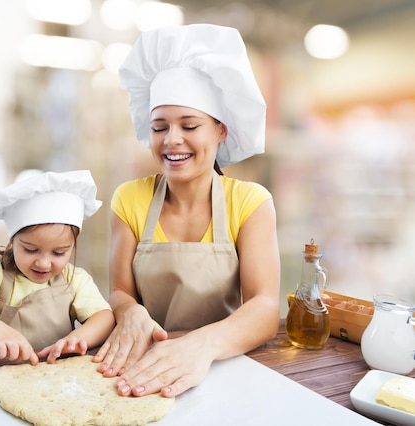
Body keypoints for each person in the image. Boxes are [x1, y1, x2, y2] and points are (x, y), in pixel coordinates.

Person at [93, 24, 281, 398]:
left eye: (189, 125)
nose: (172, 139)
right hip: (142, 366)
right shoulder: (130, 199)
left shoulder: (250, 202)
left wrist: (201, 346)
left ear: (221, 130)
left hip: (223, 364)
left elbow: (264, 307)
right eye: (159, 127)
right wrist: (130, 313)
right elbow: (119, 291)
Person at [0, 170, 115, 365]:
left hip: (54, 374)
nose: (43, 263)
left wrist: (78, 338)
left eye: (59, 253)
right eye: (31, 250)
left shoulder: (75, 280)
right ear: (13, 242)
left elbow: (104, 318)